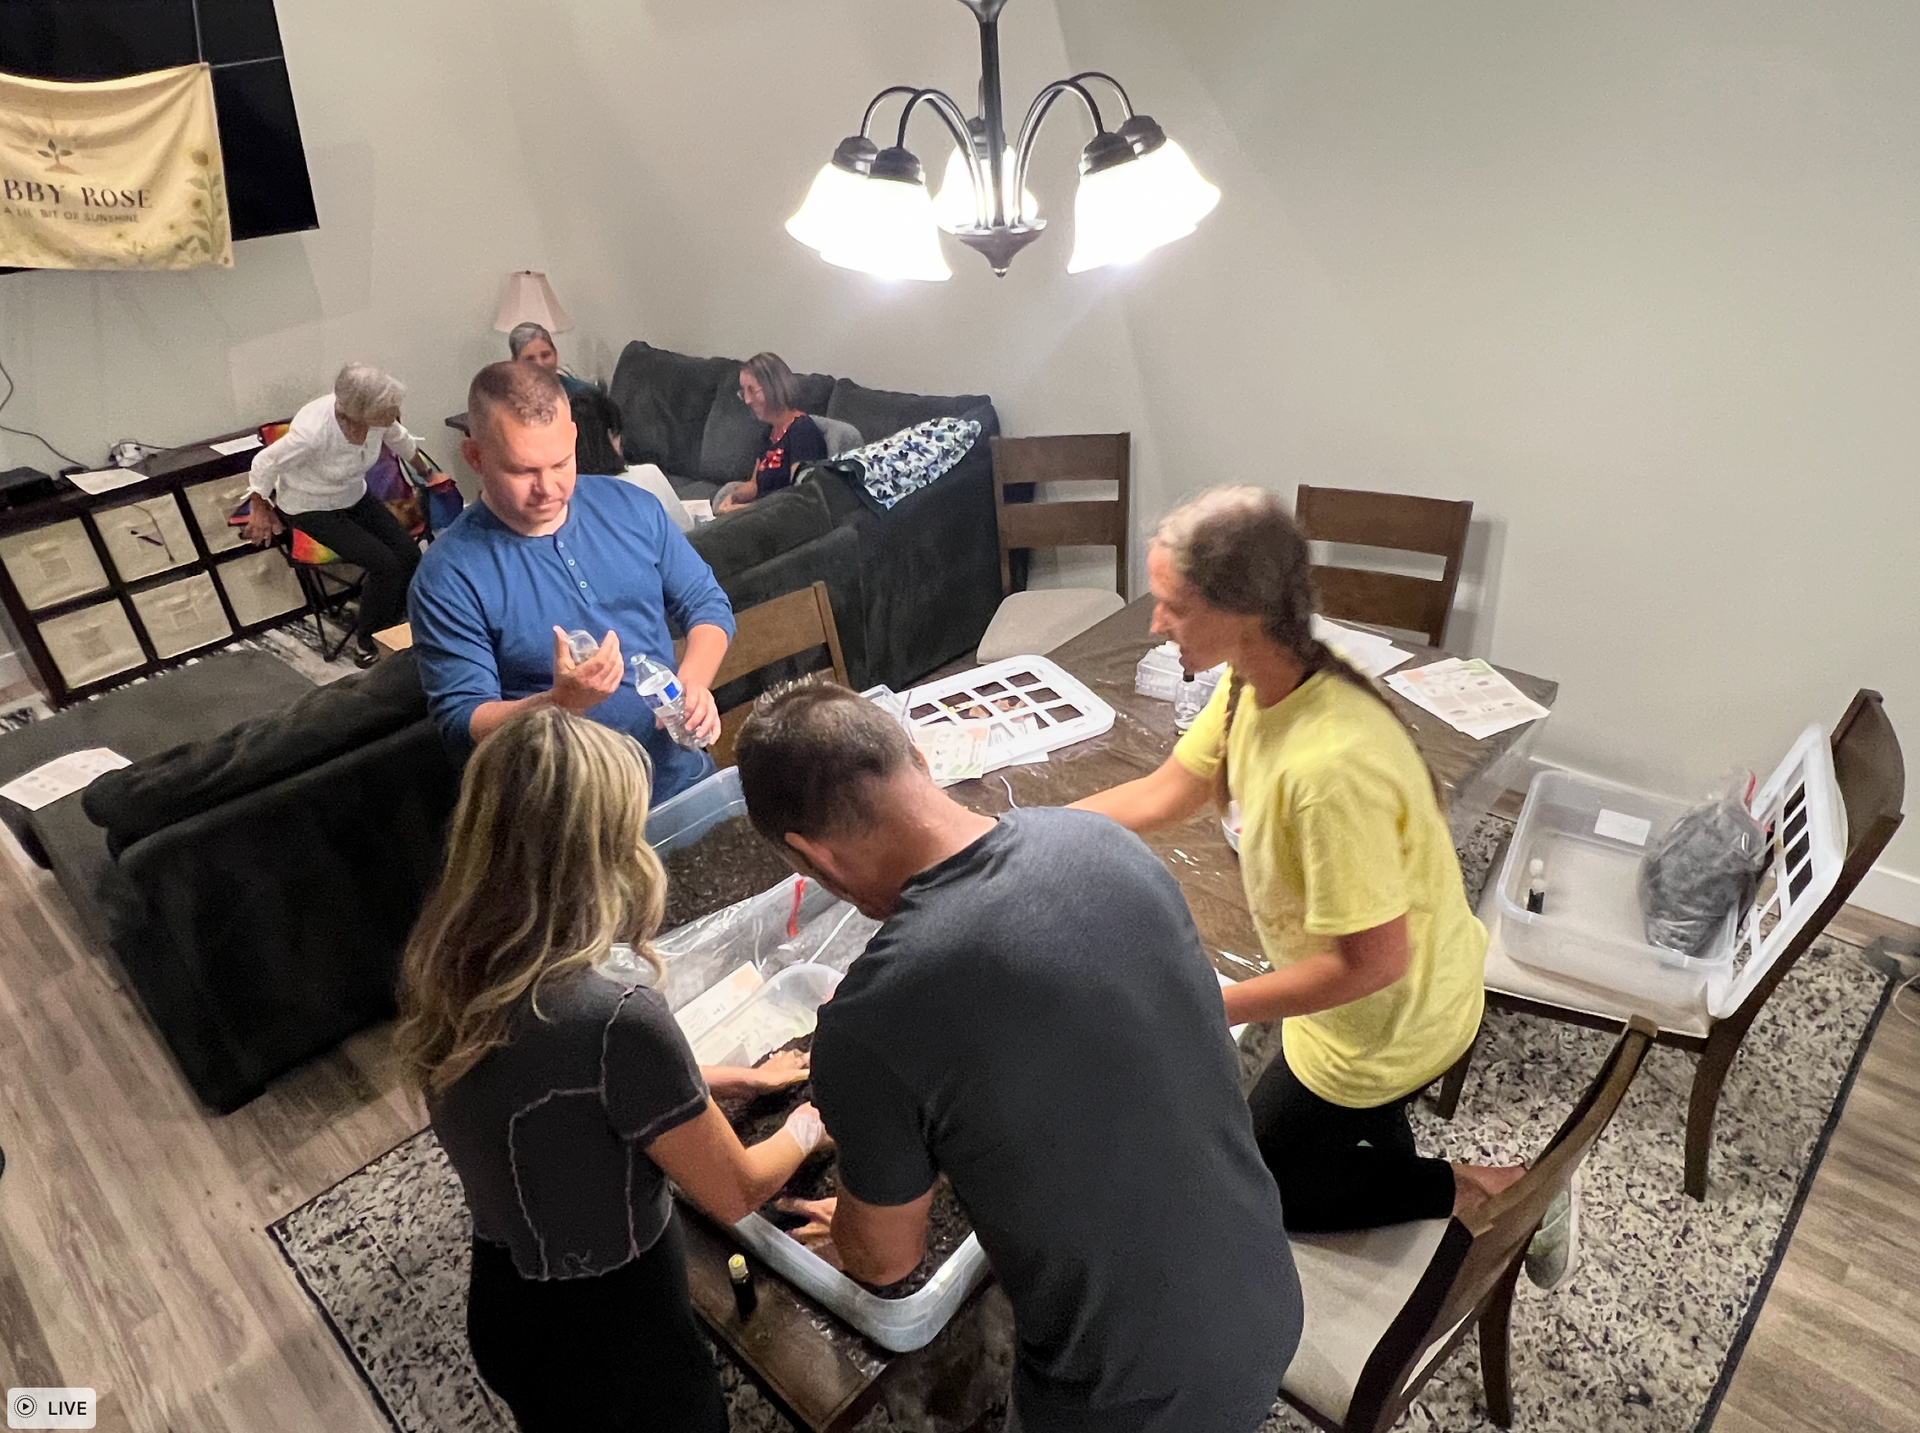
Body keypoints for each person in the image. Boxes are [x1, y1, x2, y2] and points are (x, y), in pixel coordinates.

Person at [735, 682, 1300, 1433]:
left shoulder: (869, 1020)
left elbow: (882, 1263)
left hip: (1126, 1395)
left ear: (811, 856)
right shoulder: (1102, 840)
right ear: (921, 758)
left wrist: (863, 1219)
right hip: (1266, 1289)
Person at [1074, 487, 1527, 1238]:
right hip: (1364, 996)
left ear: (1238, 609)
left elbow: (1375, 964)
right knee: (1306, 1135)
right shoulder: (1260, 675)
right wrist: (1015, 835)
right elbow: (1168, 789)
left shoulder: (1327, 772)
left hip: (1393, 1019)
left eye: (1173, 606)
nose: (1155, 623)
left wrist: (1211, 1005)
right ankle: (1382, 1140)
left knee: (1266, 1189)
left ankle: (1493, 1193)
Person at [396, 707, 825, 1433]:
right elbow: (736, 1190)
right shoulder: (616, 1015)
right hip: (616, 1333)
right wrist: (813, 1124)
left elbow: (559, 1082)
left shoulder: (445, 965)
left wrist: (731, 1077)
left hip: (506, 1302)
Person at [407, 361, 733, 802]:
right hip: (570, 810)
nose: (548, 488)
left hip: (680, 779)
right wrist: (562, 702)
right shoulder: (448, 575)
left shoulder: (633, 506)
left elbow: (707, 604)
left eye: (561, 463)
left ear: (576, 438)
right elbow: (463, 723)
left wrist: (693, 683)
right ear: (475, 458)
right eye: (522, 471)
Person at [245, 363, 443, 667]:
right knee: (385, 566)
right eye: (388, 410)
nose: (394, 415)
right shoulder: (313, 432)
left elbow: (400, 439)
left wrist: (428, 473)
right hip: (311, 506)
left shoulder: (378, 417)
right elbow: (264, 463)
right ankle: (370, 640)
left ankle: (397, 628)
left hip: (353, 494)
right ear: (358, 412)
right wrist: (260, 504)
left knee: (408, 554)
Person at [713, 352, 828, 514]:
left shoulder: (803, 431)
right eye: (744, 392)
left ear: (774, 387)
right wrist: (734, 497)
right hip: (762, 513)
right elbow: (755, 485)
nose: (747, 400)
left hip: (780, 520)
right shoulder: (769, 431)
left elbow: (798, 499)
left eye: (752, 390)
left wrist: (743, 510)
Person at [507, 321, 596, 399]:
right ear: (515, 363)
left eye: (545, 355)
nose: (540, 364)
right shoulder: (505, 403)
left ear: (555, 353)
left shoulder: (585, 395)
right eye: (530, 359)